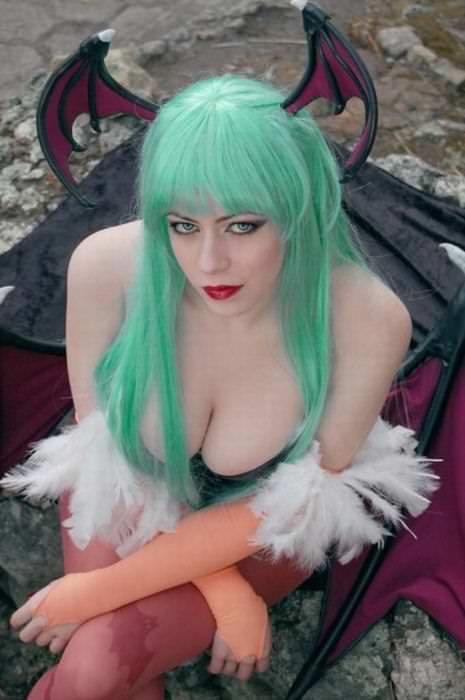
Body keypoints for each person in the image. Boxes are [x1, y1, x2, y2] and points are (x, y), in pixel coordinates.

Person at [2, 74, 436, 700]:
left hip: (261, 533)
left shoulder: (365, 318)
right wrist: (224, 592)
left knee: (94, 667)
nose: (208, 263)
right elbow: (106, 445)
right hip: (124, 490)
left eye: (243, 226)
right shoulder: (107, 266)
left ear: (298, 207)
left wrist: (97, 591)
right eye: (183, 225)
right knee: (105, 674)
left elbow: (290, 500)